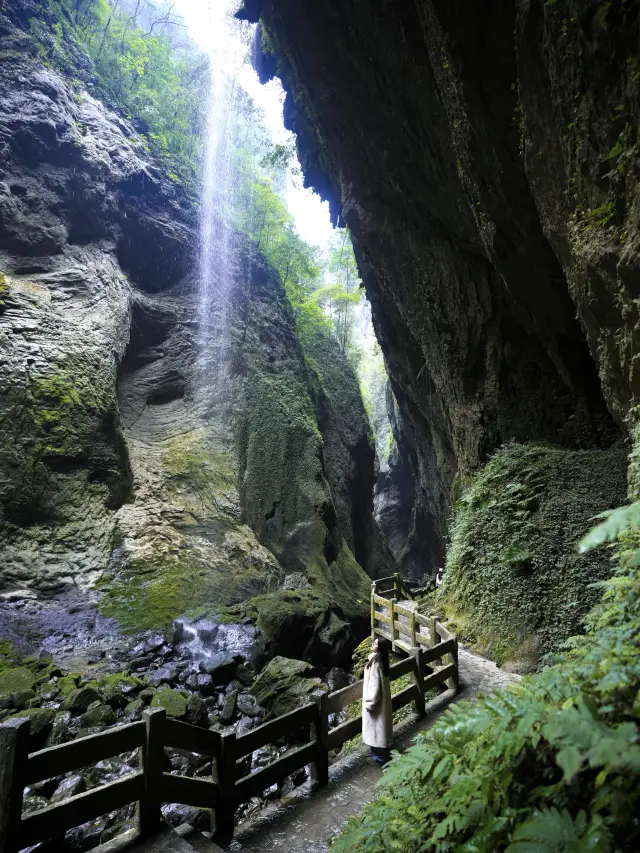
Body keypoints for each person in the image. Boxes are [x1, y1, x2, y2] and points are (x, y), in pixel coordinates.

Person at [362, 637, 393, 765]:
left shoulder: (375, 663)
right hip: (383, 703)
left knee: (375, 732)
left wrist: (369, 703)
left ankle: (380, 758)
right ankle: (383, 754)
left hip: (376, 704)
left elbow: (374, 686)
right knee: (381, 730)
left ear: (379, 648)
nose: (372, 644)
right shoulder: (383, 661)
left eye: (375, 643)